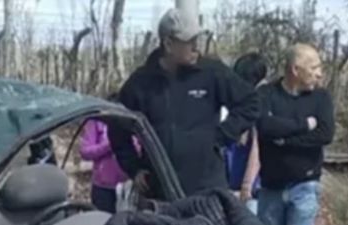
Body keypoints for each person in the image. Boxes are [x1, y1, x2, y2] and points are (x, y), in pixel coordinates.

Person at [109, 8, 260, 197]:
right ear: (169, 44)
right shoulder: (141, 82)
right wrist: (133, 168)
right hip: (159, 190)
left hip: (207, 188)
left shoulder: (212, 73)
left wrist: (221, 136)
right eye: (190, 42)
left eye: (198, 40)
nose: (197, 47)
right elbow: (117, 126)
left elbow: (251, 102)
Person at [254, 43, 335, 225]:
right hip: (271, 187)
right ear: (295, 70)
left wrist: (284, 138)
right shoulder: (267, 95)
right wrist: (303, 125)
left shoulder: (321, 98)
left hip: (305, 185)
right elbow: (265, 128)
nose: (319, 73)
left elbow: (324, 133)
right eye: (314, 67)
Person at [224, 52, 268, 214]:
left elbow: (257, 148)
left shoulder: (258, 105)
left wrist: (247, 185)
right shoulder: (241, 105)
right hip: (235, 186)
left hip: (252, 191)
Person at [79, 94, 139, 213]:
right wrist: (109, 145)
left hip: (128, 186)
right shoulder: (96, 122)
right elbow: (85, 152)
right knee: (101, 224)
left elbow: (141, 148)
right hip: (103, 188)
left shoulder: (132, 124)